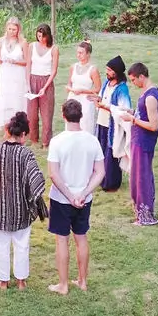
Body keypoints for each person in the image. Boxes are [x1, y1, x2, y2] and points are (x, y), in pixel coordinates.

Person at [0, 110, 46, 290]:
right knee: (22, 244)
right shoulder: (26, 154)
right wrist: (36, 201)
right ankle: (21, 281)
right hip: (21, 209)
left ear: (8, 130)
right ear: (23, 134)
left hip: (0, 209)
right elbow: (36, 180)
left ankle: (3, 281)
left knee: (0, 245)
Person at [46, 97, 105, 294]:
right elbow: (100, 172)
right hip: (84, 199)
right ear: (80, 116)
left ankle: (63, 285)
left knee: (62, 240)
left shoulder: (57, 142)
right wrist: (83, 194)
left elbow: (53, 174)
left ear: (63, 116)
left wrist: (70, 196)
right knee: (81, 238)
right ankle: (82, 281)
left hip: (61, 199)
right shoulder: (92, 140)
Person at [116, 62, 158, 226]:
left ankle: (146, 216)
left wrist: (133, 119)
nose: (133, 83)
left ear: (142, 76)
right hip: (138, 141)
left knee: (142, 178)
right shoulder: (146, 92)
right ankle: (140, 211)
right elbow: (143, 115)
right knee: (137, 177)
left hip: (143, 143)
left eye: (134, 80)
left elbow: (153, 125)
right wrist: (132, 113)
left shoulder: (150, 97)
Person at [96, 54, 131, 192]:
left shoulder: (122, 89)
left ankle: (111, 183)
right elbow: (102, 96)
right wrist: (96, 99)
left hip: (113, 125)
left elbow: (123, 109)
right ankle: (101, 178)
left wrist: (104, 106)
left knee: (111, 152)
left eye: (110, 70)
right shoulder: (106, 83)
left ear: (116, 72)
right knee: (101, 151)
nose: (107, 72)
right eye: (107, 69)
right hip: (102, 122)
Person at [0, 16, 29, 130]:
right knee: (5, 99)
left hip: (18, 75)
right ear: (6, 28)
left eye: (14, 29)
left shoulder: (23, 42)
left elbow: (27, 61)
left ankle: (19, 126)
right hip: (5, 75)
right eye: (10, 29)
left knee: (17, 100)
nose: (12, 32)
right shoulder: (1, 41)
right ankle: (6, 127)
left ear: (18, 29)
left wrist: (16, 62)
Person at [26, 23, 59, 147]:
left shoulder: (54, 49)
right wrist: (28, 84)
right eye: (38, 36)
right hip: (33, 80)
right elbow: (28, 65)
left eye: (43, 36)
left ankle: (46, 141)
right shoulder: (31, 46)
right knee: (32, 114)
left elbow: (54, 70)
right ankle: (34, 139)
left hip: (46, 81)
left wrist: (45, 88)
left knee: (46, 114)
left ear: (48, 36)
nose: (40, 39)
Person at [67, 40, 101, 135]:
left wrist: (83, 91)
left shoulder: (93, 70)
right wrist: (71, 89)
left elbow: (98, 89)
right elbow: (69, 83)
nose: (78, 55)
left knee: (85, 125)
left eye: (81, 53)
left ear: (88, 54)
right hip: (73, 98)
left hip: (86, 100)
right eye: (78, 52)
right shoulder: (73, 67)